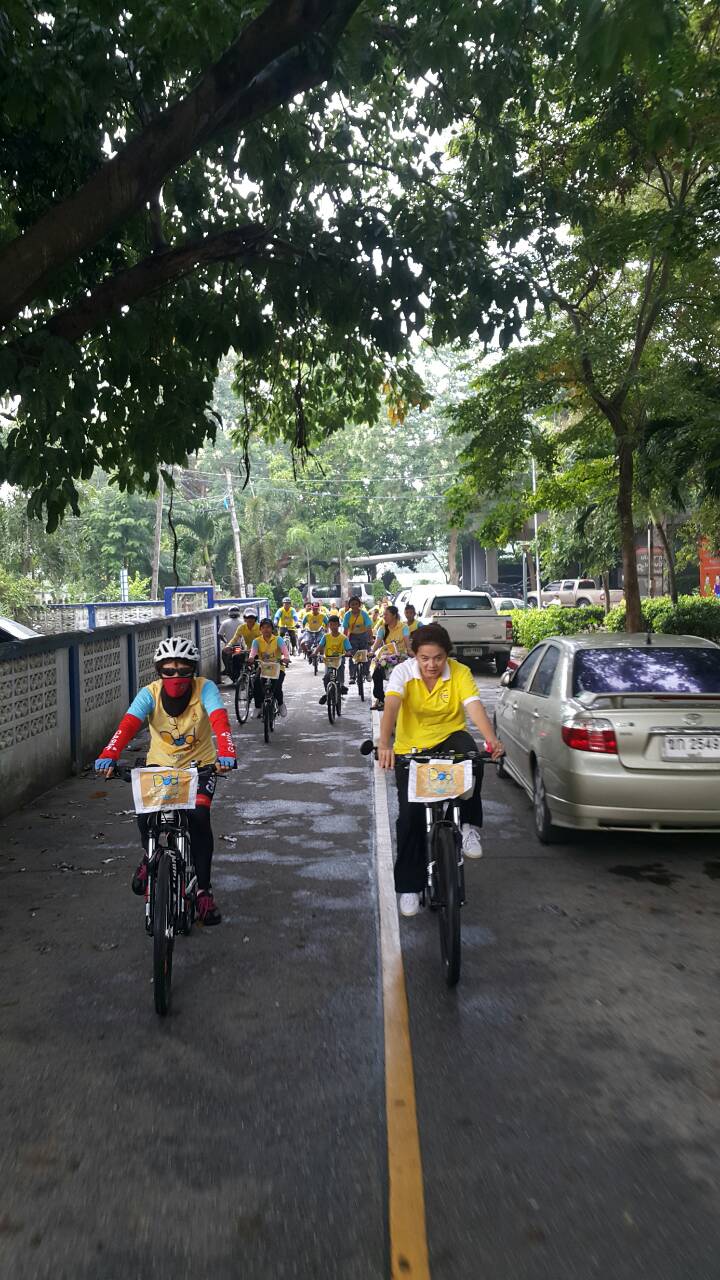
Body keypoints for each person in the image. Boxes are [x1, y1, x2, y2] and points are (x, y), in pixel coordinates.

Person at [94, 636, 236, 926]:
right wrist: (109, 753)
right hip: (159, 766)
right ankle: (148, 857)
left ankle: (203, 892)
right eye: (168, 671)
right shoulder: (150, 693)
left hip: (201, 767)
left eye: (183, 670)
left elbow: (219, 720)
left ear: (193, 670)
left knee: (199, 818)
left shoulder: (205, 688)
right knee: (146, 818)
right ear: (159, 671)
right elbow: (128, 725)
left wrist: (227, 751)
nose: (176, 677)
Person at [376, 623, 504, 918]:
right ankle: (410, 886)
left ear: (447, 655)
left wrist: (492, 739)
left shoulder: (460, 672)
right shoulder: (403, 673)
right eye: (424, 658)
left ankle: (468, 825)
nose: (431, 665)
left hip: (449, 738)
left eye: (438, 658)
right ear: (415, 655)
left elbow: (474, 706)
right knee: (410, 817)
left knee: (472, 757)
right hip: (411, 747)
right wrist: (384, 744)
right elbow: (391, 706)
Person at [369, 604, 411, 710]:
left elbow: (408, 645)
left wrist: (411, 653)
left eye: (386, 615)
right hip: (386, 657)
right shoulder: (382, 628)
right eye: (383, 615)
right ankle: (380, 699)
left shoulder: (404, 627)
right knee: (376, 673)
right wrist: (372, 652)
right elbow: (377, 643)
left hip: (401, 657)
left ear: (394, 615)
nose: (384, 617)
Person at [249, 616, 290, 717]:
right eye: (263, 627)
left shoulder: (278, 639)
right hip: (263, 667)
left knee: (277, 686)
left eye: (268, 627)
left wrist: (286, 658)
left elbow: (285, 652)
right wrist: (251, 658)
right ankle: (258, 707)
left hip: (278, 667)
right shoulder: (256, 641)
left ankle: (280, 704)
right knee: (256, 684)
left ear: (272, 629)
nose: (266, 629)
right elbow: (253, 653)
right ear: (260, 629)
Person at [318, 615, 352, 705]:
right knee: (326, 677)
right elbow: (320, 646)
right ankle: (327, 694)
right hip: (329, 660)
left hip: (339, 659)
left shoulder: (343, 638)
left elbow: (348, 649)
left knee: (340, 671)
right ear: (329, 625)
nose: (333, 627)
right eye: (331, 625)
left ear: (339, 625)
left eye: (335, 624)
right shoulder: (326, 637)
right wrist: (314, 653)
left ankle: (341, 684)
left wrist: (348, 653)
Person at [219, 606, 242, 680]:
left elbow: (220, 635)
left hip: (229, 647)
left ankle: (226, 669)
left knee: (224, 654)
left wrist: (225, 641)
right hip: (238, 646)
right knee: (240, 660)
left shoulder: (225, 623)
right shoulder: (242, 623)